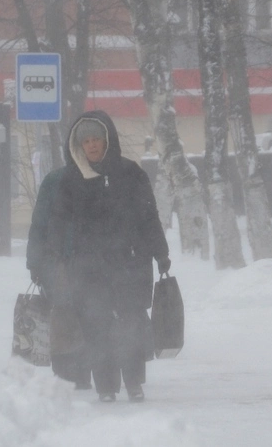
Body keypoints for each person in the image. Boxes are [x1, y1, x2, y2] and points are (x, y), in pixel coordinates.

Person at [46, 109, 170, 403]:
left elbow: (148, 216)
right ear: (79, 145)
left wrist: (160, 252)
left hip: (128, 263)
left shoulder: (130, 174)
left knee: (131, 322)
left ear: (107, 141)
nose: (91, 145)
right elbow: (57, 223)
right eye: (86, 140)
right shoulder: (71, 180)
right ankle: (105, 387)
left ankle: (134, 382)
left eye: (96, 139)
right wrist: (53, 259)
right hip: (88, 267)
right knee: (96, 323)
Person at [27, 165, 92, 390]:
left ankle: (78, 372)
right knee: (66, 314)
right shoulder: (54, 179)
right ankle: (67, 372)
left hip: (87, 261)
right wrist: (34, 262)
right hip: (58, 261)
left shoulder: (98, 176)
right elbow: (39, 224)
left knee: (84, 314)